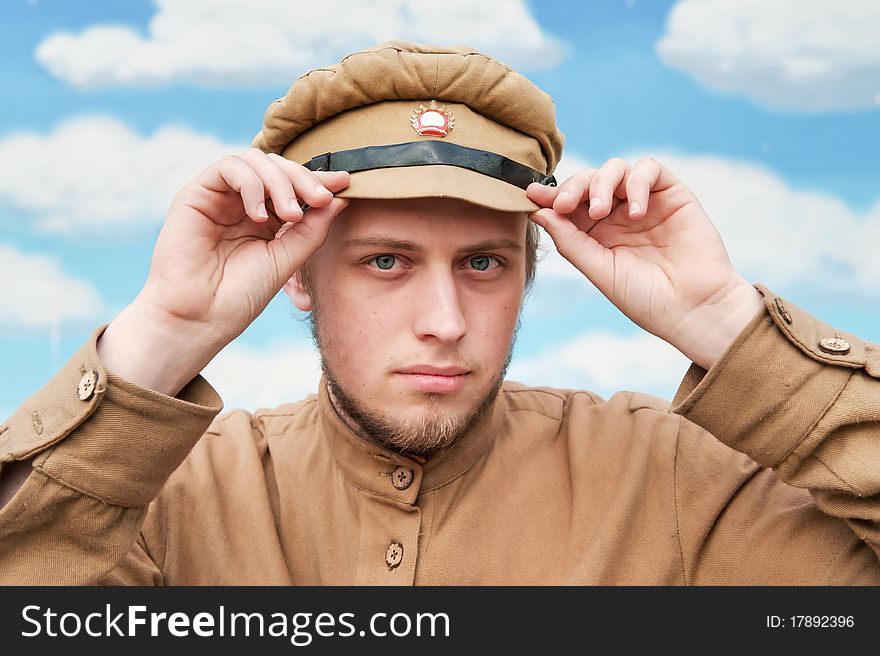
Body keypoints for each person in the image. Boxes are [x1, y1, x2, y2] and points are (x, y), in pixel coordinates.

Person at [0, 41, 878, 585]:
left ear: (531, 273)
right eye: (386, 261)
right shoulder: (160, 496)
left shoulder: (677, 478)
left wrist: (725, 320)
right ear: (297, 275)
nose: (445, 320)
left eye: (484, 263)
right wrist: (161, 334)